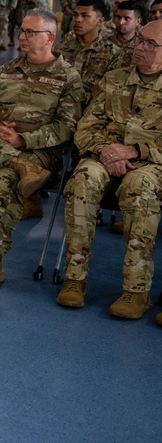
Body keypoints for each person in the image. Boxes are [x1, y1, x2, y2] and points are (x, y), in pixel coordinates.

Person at [0, 8, 83, 292]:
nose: (21, 36)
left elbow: (67, 127)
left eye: (30, 32)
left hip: (40, 153)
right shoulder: (7, 69)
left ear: (50, 38)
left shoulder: (67, 77)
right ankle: (20, 166)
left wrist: (23, 141)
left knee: (2, 181)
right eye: (22, 30)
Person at [56, 18, 162, 322]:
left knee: (139, 187)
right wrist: (106, 150)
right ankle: (75, 279)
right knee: (82, 180)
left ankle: (136, 290)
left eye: (150, 44)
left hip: (152, 163)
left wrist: (137, 150)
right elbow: (87, 125)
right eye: (139, 40)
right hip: (105, 154)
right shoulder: (113, 79)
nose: (139, 47)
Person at [53, 0, 125, 104]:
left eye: (85, 16)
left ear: (100, 21)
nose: (78, 20)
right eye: (75, 15)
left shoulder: (113, 54)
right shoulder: (61, 48)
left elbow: (110, 95)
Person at [110, 0, 142, 65]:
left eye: (126, 18)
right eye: (118, 17)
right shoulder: (105, 43)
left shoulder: (141, 47)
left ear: (137, 21)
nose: (121, 22)